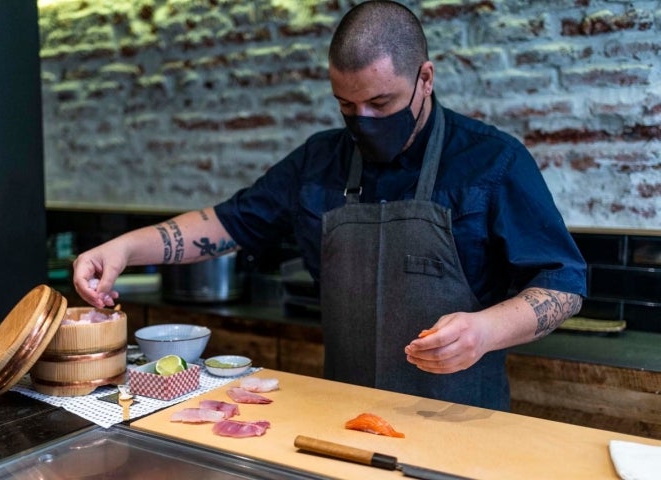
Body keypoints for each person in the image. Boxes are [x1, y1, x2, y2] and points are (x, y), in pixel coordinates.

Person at [73, 0, 586, 411]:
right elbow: (226, 223)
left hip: (460, 418)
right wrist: (121, 249)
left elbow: (563, 283)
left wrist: (486, 330)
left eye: (381, 103)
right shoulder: (319, 160)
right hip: (343, 414)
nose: (362, 119)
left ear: (425, 79)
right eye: (346, 105)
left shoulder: (491, 160)